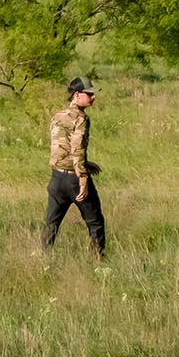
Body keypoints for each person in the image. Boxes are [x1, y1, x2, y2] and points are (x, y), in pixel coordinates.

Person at [44, 76, 106, 257]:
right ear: (77, 95)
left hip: (56, 178)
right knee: (95, 222)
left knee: (51, 223)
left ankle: (43, 258)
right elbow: (77, 149)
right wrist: (83, 178)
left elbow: (61, 148)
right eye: (89, 94)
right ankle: (98, 260)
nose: (93, 97)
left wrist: (86, 164)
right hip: (74, 179)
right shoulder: (81, 119)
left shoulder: (57, 116)